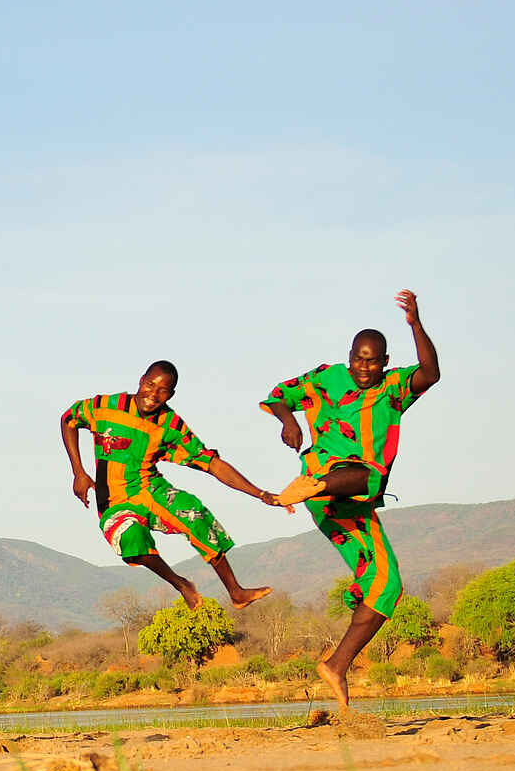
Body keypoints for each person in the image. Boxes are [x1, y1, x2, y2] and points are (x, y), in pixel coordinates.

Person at [262, 290, 440, 709]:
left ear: (384, 362)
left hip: (354, 504)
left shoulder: (394, 388)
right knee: (370, 473)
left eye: (373, 361)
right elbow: (278, 396)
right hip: (327, 479)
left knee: (386, 586)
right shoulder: (326, 378)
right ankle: (312, 485)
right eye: (359, 359)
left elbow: (430, 373)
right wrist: (289, 422)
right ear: (349, 358)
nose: (364, 367)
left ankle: (336, 666)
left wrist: (415, 323)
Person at [61, 361, 284, 609]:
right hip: (114, 502)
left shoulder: (171, 424)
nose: (153, 394)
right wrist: (78, 472)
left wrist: (259, 493)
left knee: (194, 513)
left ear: (171, 394)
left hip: (151, 491)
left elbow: (212, 464)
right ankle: (181, 584)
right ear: (141, 380)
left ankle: (236, 592)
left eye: (163, 391)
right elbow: (69, 419)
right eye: (150, 385)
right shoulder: (105, 406)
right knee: (131, 537)